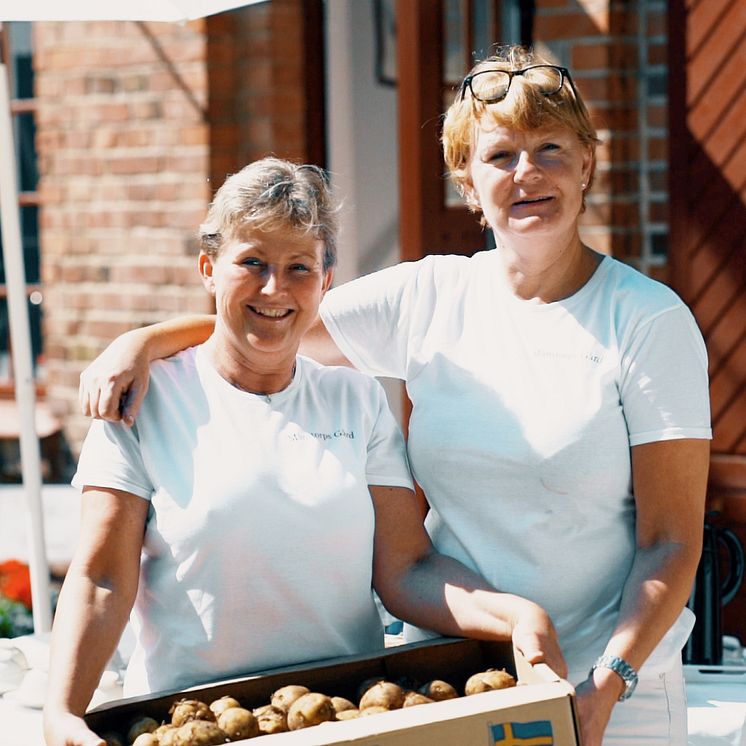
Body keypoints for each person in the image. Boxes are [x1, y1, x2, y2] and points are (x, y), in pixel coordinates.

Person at [77, 46, 711, 746]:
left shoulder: (647, 321)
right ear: (467, 182)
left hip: (616, 693)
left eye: (551, 149)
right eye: (500, 156)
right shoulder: (427, 295)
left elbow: (672, 542)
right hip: (461, 683)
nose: (527, 173)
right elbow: (274, 313)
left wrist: (605, 686)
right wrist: (142, 342)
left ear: (588, 162)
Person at [45, 157, 565, 746]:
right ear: (208, 268)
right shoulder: (145, 398)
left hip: (343, 720)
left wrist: (516, 615)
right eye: (253, 263)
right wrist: (62, 711)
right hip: (194, 725)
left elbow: (407, 571)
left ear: (325, 282)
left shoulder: (356, 401)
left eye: (298, 267)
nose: (275, 288)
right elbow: (103, 578)